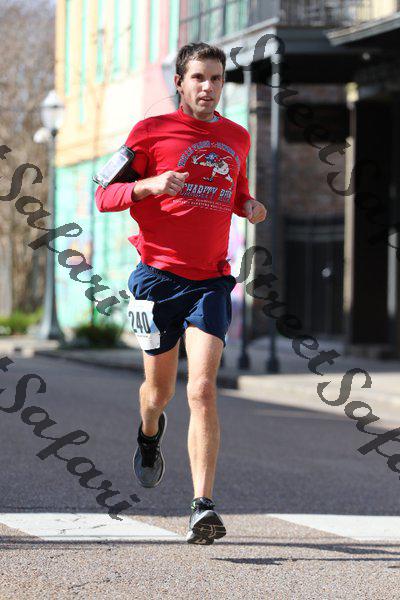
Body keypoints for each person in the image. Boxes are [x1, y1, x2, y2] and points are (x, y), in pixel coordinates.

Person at [95, 42, 267, 545]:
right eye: (198, 78)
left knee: (203, 389)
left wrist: (248, 206)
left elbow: (234, 191)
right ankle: (149, 432)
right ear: (179, 82)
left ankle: (202, 506)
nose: (208, 87)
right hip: (156, 280)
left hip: (210, 281)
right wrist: (150, 185)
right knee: (160, 392)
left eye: (216, 78)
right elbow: (104, 194)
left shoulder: (237, 137)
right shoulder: (149, 132)